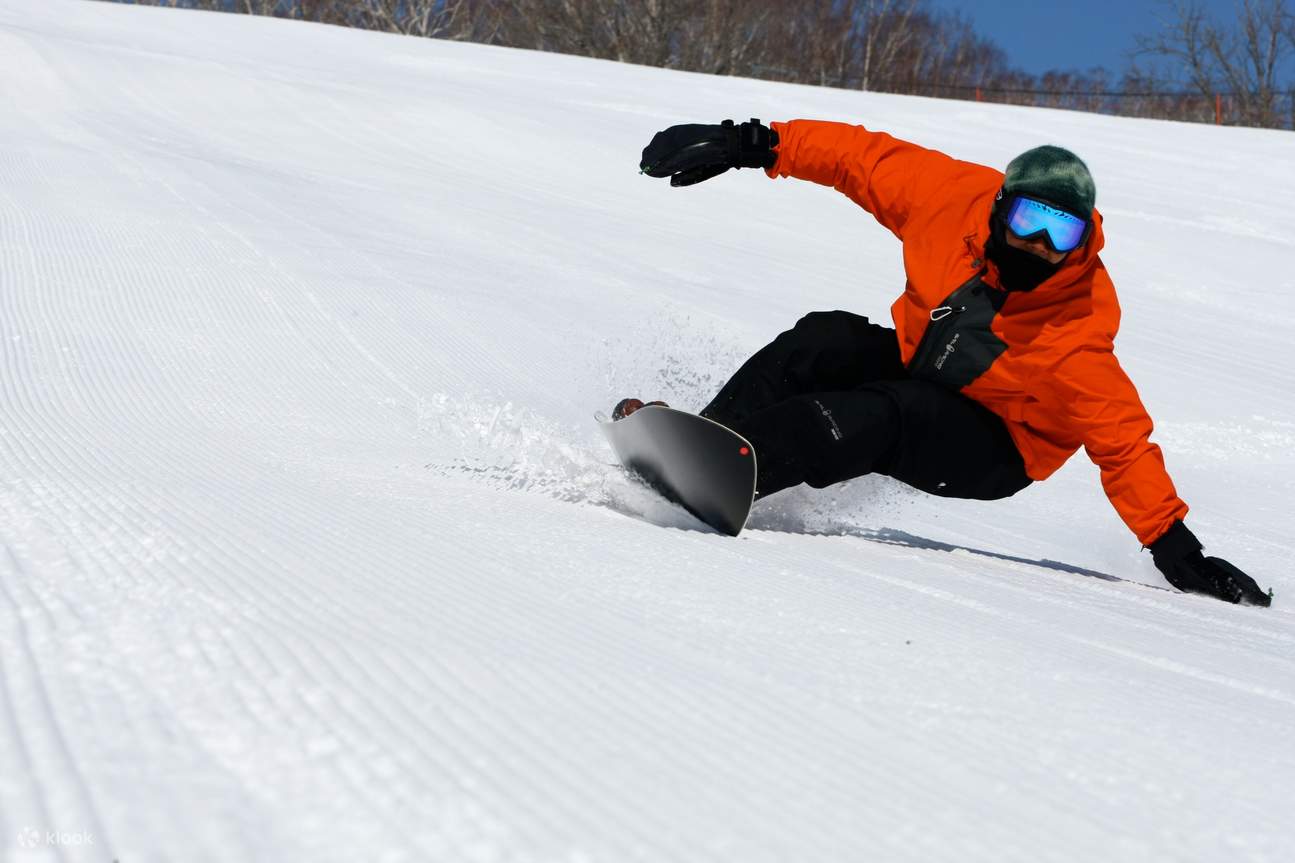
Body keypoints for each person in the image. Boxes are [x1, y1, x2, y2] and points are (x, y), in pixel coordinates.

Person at [618, 117, 1271, 606]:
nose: (1040, 245)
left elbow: (1121, 441)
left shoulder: (1074, 328)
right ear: (999, 207)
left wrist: (1176, 549)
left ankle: (735, 474)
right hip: (925, 365)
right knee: (826, 338)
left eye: (1061, 234)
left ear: (1082, 242)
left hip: (996, 447)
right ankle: (704, 445)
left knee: (888, 414)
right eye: (1029, 220)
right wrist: (749, 144)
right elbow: (859, 158)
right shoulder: (948, 197)